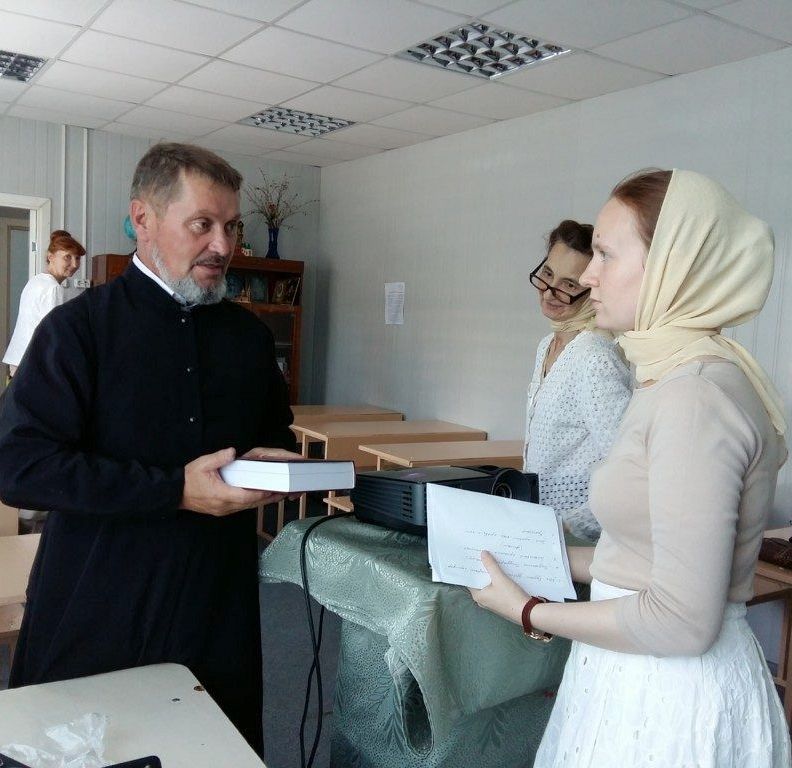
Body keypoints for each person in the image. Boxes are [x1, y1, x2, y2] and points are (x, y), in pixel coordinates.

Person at [472, 169, 791, 766]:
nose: (589, 277)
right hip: (637, 678)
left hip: (668, 697)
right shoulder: (671, 374)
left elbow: (681, 621)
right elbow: (641, 558)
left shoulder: (693, 395)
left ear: (671, 266)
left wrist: (528, 611)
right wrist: (534, 556)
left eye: (606, 254)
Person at [0, 143, 298, 755]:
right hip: (98, 599)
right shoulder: (77, 331)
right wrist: (173, 489)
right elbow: (18, 464)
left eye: (232, 226)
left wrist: (272, 467)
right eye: (202, 224)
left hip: (216, 603)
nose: (223, 245)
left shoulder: (248, 338)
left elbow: (275, 433)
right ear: (143, 218)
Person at [524, 219, 631, 541]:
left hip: (578, 540)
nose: (550, 291)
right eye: (547, 274)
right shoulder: (548, 344)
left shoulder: (594, 356)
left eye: (570, 285)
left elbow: (629, 468)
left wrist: (572, 527)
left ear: (593, 288)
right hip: (542, 529)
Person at [3, 229, 85, 377]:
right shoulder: (53, 288)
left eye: (77, 258)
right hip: (33, 363)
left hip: (17, 359)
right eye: (67, 257)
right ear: (50, 256)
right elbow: (54, 334)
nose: (74, 264)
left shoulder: (35, 281)